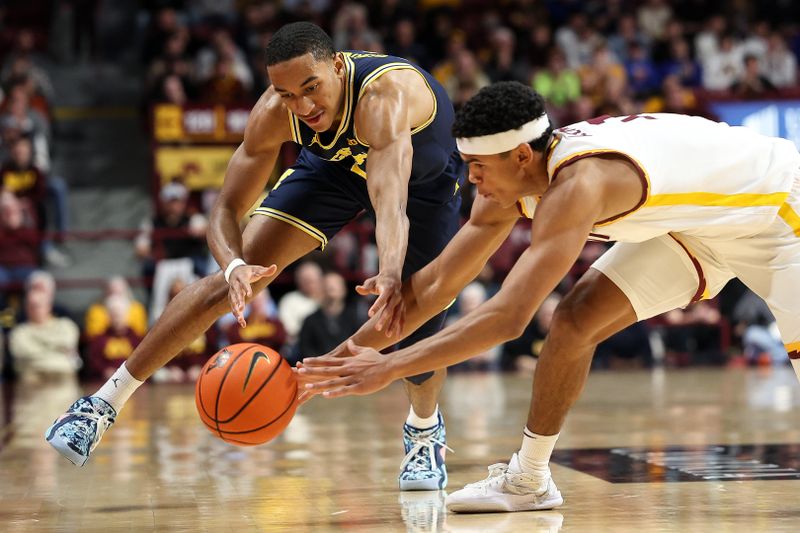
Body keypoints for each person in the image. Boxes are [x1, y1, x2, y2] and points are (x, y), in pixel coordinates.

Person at [298, 81, 800, 513]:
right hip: (693, 227)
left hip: (780, 212)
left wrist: (388, 368)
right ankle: (531, 480)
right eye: (466, 164)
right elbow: (433, 286)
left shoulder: (581, 182)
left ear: (520, 156)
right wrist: (336, 362)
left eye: (478, 166)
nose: (470, 179)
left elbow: (510, 317)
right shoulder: (510, 184)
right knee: (576, 319)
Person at [46, 22, 465, 492]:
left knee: (416, 316)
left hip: (421, 186)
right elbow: (224, 208)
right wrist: (233, 265)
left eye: (312, 88)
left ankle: (424, 432)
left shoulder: (382, 97)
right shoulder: (275, 111)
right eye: (288, 95)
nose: (303, 107)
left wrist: (389, 272)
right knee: (225, 284)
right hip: (333, 172)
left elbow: (391, 204)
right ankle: (102, 404)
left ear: (338, 66)